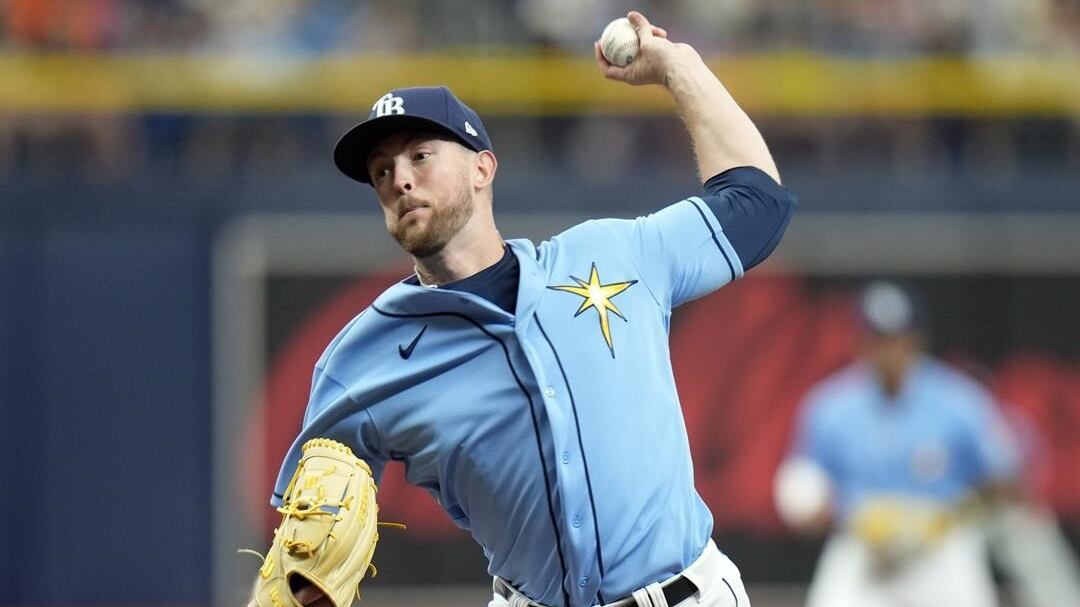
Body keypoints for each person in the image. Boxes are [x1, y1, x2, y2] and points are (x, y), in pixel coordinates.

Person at [255, 11, 797, 607]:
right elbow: (305, 549)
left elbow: (758, 205)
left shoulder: (612, 253)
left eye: (420, 156)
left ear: (482, 167)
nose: (399, 180)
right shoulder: (361, 361)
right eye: (381, 171)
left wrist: (678, 67)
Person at [774, 281, 1021, 607]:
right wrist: (831, 513)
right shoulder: (830, 405)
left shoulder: (959, 400)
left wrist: (957, 511)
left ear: (916, 339)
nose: (889, 350)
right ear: (860, 341)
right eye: (878, 338)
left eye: (897, 337)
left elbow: (1006, 477)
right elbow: (805, 487)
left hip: (940, 547)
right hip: (864, 545)